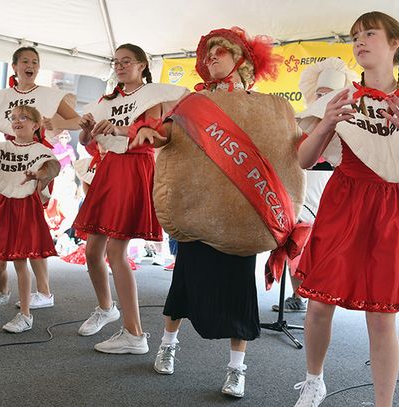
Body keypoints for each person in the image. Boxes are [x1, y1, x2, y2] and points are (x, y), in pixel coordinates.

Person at [130, 27, 305, 397]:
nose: (210, 61)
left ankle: (236, 370)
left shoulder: (270, 109)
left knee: (240, 298)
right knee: (182, 289)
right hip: (197, 212)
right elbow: (166, 135)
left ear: (242, 60)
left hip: (242, 220)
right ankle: (167, 345)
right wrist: (149, 133)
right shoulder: (192, 104)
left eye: (219, 54)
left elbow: (284, 153)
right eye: (206, 56)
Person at [292, 11, 399, 407]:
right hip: (343, 200)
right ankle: (313, 382)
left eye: (369, 33)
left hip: (390, 205)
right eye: (355, 36)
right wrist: (324, 124)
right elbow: (304, 159)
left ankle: (383, 403)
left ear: (395, 43)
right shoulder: (339, 98)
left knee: (381, 315)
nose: (359, 41)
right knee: (319, 302)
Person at [74, 43, 187, 354]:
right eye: (116, 62)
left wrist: (120, 128)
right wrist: (86, 132)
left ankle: (134, 333)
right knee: (92, 248)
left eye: (126, 61)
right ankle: (106, 308)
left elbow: (152, 132)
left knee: (115, 248)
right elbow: (92, 144)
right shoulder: (106, 100)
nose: (120, 66)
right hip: (108, 170)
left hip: (134, 168)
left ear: (142, 65)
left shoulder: (152, 96)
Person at [0, 46, 79, 313]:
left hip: (35, 161)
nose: (30, 65)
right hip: (5, 162)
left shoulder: (48, 96)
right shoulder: (1, 99)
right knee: (0, 223)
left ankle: (42, 292)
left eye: (35, 62)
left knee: (31, 228)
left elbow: (76, 122)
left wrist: (51, 124)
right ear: (15, 67)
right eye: (25, 61)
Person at [271, 58, 359, 313]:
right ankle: (298, 295)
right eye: (319, 93)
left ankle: (318, 295)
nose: (322, 98)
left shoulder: (348, 122)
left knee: (320, 250)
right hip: (301, 188)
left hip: (330, 190)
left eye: (328, 94)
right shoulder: (303, 121)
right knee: (294, 247)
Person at [0, 105, 60, 333]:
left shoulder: (40, 150)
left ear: (36, 125)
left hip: (26, 208)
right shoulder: (3, 147)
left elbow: (49, 169)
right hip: (6, 206)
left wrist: (36, 174)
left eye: (24, 118)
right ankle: (2, 292)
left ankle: (25, 314)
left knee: (20, 261)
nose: (18, 121)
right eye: (14, 118)